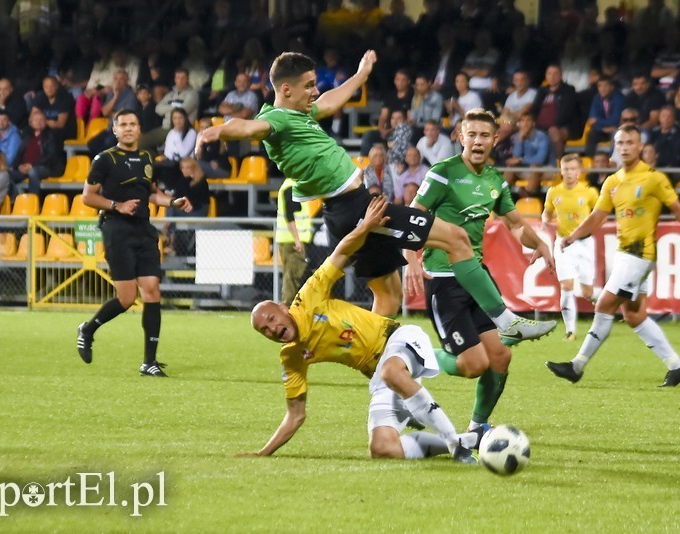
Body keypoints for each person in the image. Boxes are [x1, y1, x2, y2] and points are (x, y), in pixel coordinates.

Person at [198, 51, 556, 342]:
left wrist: (360, 75)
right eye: (308, 86)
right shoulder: (277, 119)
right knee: (457, 238)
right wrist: (217, 132)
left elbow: (330, 101)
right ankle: (506, 319)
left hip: (346, 211)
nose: (314, 91)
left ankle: (368, 357)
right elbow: (249, 128)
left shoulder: (300, 113)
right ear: (286, 89)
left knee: (388, 298)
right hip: (356, 209)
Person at [246, 196, 477, 462]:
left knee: (391, 371)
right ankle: (468, 440)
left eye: (272, 319)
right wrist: (262, 453)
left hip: (399, 338)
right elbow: (295, 415)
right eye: (265, 330)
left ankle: (455, 445)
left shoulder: (308, 297)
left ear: (283, 309)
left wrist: (365, 227)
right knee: (382, 450)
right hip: (381, 376)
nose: (272, 329)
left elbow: (341, 252)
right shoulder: (291, 357)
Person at [405, 109, 556, 434]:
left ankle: (477, 428)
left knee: (499, 358)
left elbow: (515, 224)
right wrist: (411, 258)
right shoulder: (444, 172)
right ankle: (415, 357)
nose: (477, 141)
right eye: (471, 134)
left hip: (476, 279)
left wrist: (540, 244)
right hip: (444, 281)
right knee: (473, 366)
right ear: (461, 137)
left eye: (484, 135)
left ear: (495, 139)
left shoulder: (494, 180)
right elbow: (412, 216)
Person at [546, 125, 680, 387]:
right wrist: (572, 236)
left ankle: (577, 365)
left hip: (639, 253)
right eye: (620, 143)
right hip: (625, 253)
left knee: (604, 304)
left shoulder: (653, 178)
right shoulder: (613, 181)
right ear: (615, 147)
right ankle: (677, 366)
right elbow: (597, 216)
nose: (624, 147)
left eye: (630, 142)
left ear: (640, 147)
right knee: (633, 315)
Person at [75, 109, 193, 377]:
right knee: (127, 298)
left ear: (139, 130)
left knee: (152, 291)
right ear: (115, 130)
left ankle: (149, 362)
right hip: (117, 230)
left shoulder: (147, 157)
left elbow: (152, 193)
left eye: (133, 124)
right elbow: (87, 197)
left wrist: (171, 201)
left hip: (143, 229)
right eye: (123, 125)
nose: (128, 128)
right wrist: (117, 205)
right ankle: (88, 329)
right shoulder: (105, 160)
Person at [541, 154, 599, 341]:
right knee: (566, 285)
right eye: (566, 169)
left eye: (573, 169)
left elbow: (598, 215)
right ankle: (570, 330)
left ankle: (610, 300)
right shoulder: (553, 192)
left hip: (585, 244)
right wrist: (545, 221)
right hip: (563, 244)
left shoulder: (589, 193)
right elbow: (547, 213)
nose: (569, 173)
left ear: (579, 171)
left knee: (587, 292)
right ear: (561, 170)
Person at [276, 177, 313, 306]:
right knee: (292, 279)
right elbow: (289, 215)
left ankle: (290, 310)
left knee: (293, 277)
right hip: (292, 241)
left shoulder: (292, 186)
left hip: (291, 240)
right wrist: (297, 239)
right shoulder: (291, 187)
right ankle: (286, 310)